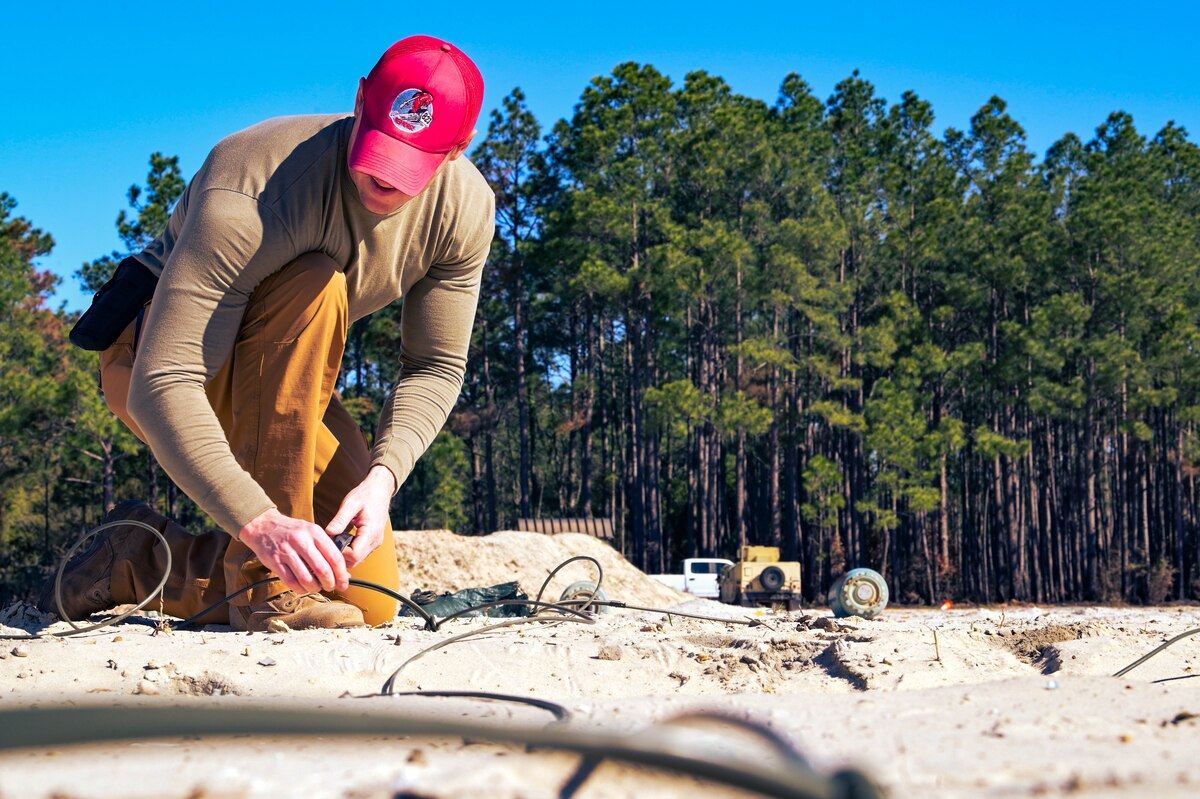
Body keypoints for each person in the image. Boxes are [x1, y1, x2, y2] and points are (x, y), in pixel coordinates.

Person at [39, 35, 495, 632]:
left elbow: (433, 366)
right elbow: (164, 380)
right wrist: (258, 522)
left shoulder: (463, 212)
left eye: (410, 163)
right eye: (378, 146)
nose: (384, 179)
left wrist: (383, 480)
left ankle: (137, 557)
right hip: (156, 356)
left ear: (459, 148)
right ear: (360, 101)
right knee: (317, 281)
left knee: (368, 591)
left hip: (281, 370)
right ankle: (265, 590)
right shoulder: (254, 182)